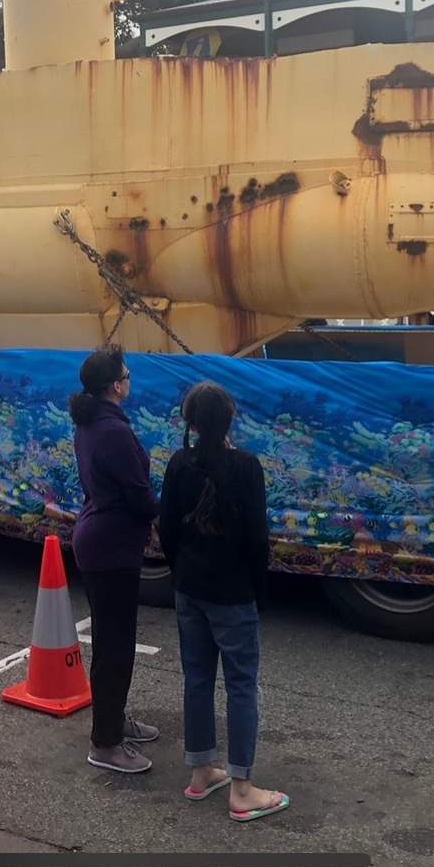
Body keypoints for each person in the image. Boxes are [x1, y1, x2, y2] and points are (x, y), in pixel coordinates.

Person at [159, 382, 287, 821]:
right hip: (232, 593)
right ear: (229, 421)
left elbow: (167, 529)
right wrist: (259, 589)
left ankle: (201, 772)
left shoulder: (179, 464)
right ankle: (242, 788)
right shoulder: (246, 467)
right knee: (240, 684)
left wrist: (181, 573)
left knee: (197, 678)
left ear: (191, 423)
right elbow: (257, 538)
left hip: (189, 588)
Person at [68, 345, 161, 775]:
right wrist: (165, 516)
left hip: (100, 539)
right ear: (113, 386)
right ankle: (105, 742)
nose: (129, 379)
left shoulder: (93, 424)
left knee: (113, 641)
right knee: (114, 646)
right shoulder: (112, 431)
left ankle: (114, 719)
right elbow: (138, 493)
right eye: (126, 374)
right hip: (110, 548)